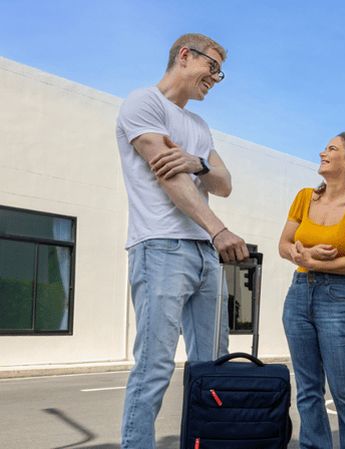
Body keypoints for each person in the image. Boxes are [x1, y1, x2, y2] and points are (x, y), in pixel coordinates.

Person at [115, 33, 249, 449]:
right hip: (161, 248)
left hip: (205, 256)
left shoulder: (198, 126)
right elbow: (168, 174)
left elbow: (224, 183)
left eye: (220, 73)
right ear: (185, 55)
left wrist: (199, 161)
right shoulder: (144, 103)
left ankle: (206, 442)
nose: (216, 78)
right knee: (155, 365)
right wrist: (218, 229)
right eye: (213, 67)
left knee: (212, 365)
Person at [278, 131, 345, 449]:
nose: (323, 153)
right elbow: (283, 244)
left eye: (331, 149)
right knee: (307, 390)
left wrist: (316, 262)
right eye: (324, 148)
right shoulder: (305, 196)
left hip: (339, 298)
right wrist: (298, 255)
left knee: (344, 390)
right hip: (299, 295)